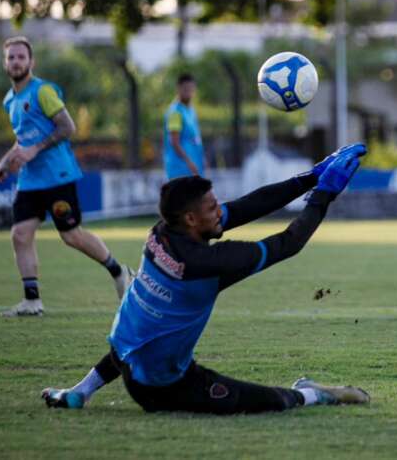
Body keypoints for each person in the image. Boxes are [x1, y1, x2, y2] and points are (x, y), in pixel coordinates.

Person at [41, 143, 371, 414]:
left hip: (126, 356)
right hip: (161, 388)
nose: (219, 212)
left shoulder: (161, 233)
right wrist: (324, 194)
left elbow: (244, 207)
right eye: (212, 208)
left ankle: (80, 392)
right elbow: (289, 243)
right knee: (272, 401)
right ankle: (311, 393)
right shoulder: (207, 264)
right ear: (190, 218)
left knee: (143, 328)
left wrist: (310, 177)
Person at [0, 36, 133, 317]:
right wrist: (5, 163)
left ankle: (119, 271)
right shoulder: (10, 100)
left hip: (58, 176)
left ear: (31, 62)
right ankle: (32, 301)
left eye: (21, 57)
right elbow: (22, 140)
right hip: (30, 180)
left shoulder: (42, 91)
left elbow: (67, 127)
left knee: (71, 236)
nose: (16, 62)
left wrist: (35, 149)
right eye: (11, 57)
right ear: (5, 63)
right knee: (20, 234)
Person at [164, 73, 204, 179]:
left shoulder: (191, 110)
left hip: (194, 167)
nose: (189, 92)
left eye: (191, 89)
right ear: (178, 89)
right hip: (180, 169)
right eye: (185, 89)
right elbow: (174, 142)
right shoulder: (175, 112)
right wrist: (189, 162)